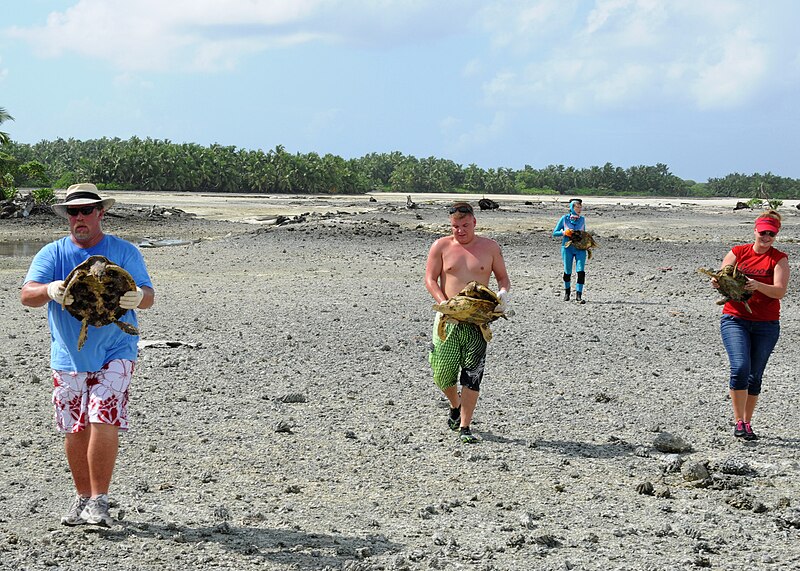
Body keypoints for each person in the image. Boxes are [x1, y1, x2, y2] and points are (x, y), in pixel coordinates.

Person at [20, 183, 155, 526]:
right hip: (69, 352)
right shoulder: (52, 253)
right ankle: (82, 499)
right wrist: (49, 290)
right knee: (75, 428)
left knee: (102, 416)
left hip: (116, 347)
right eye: (72, 211)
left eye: (85, 210)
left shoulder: (124, 251)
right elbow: (27, 294)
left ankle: (99, 501)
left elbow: (149, 295)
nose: (78, 217)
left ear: (100, 212)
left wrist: (138, 296)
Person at [424, 202, 510, 443]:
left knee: (472, 375)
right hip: (447, 318)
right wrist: (444, 304)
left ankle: (465, 427)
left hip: (477, 321)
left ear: (474, 223)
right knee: (442, 374)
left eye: (464, 225)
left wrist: (502, 294)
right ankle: (455, 404)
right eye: (455, 226)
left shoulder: (490, 247)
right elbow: (430, 279)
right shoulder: (440, 246)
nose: (460, 231)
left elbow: (503, 278)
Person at [708, 210, 789, 441]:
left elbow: (780, 290)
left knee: (755, 375)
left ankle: (748, 421)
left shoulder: (779, 258)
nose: (766, 237)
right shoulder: (738, 252)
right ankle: (739, 421)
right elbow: (723, 275)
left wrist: (758, 285)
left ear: (776, 235)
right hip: (735, 319)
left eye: (771, 234)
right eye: (763, 232)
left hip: (766, 324)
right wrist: (717, 281)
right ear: (755, 230)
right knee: (740, 367)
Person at [552, 198, 587, 303]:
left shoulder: (582, 219)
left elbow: (584, 232)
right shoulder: (564, 219)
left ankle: (578, 295)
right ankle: (567, 293)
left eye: (580, 207)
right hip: (567, 248)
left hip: (580, 248)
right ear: (572, 207)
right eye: (577, 207)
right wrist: (564, 233)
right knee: (567, 271)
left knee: (581, 271)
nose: (579, 209)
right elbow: (555, 232)